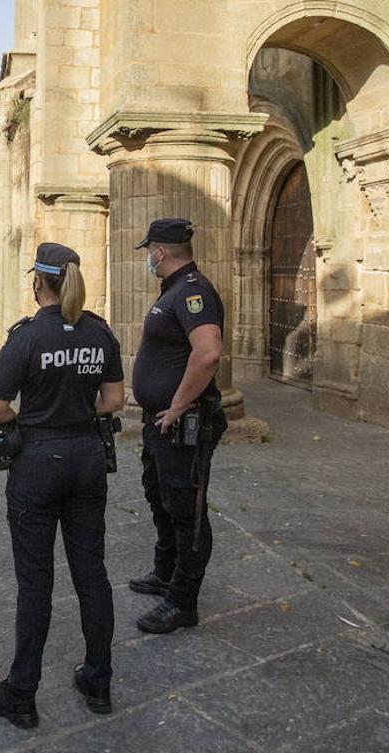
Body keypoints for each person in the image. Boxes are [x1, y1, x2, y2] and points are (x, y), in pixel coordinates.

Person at [0, 242, 125, 728]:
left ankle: (21, 693)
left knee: (35, 582)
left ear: (37, 281)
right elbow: (115, 399)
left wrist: (34, 419)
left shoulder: (25, 337)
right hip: (86, 458)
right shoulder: (99, 333)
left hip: (38, 462)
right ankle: (99, 679)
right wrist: (78, 413)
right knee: (92, 573)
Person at [128, 218, 228, 634]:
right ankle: (165, 571)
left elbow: (207, 353)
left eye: (149, 251)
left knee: (186, 510)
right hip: (162, 424)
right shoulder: (173, 290)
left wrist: (177, 406)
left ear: (160, 252)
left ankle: (182, 601)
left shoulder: (193, 292)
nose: (148, 258)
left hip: (184, 423)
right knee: (160, 497)